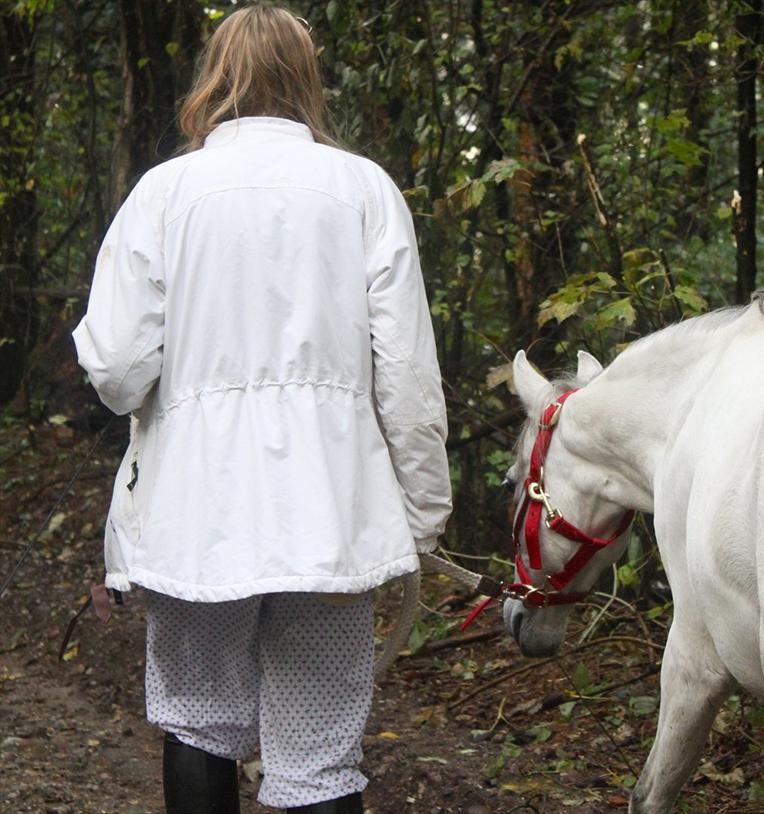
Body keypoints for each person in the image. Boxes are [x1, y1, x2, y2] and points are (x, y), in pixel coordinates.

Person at [72, 5, 452, 812]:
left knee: (199, 721)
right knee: (318, 751)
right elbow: (409, 376)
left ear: (216, 78)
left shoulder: (163, 195)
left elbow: (115, 370)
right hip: (331, 509)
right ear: (307, 80)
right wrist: (422, 513)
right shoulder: (363, 190)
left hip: (196, 516)